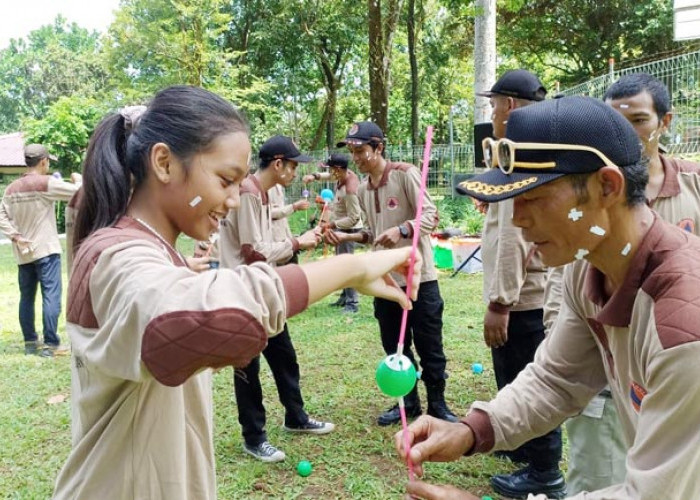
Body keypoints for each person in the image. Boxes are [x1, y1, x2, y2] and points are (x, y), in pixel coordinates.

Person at [53, 86, 422, 499]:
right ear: (163, 163)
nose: (233, 200)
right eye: (225, 180)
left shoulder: (145, 249)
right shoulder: (116, 255)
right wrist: (350, 267)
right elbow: (199, 322)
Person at [397, 95, 700, 500]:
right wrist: (472, 430)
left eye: (534, 197)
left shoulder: (683, 326)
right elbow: (558, 378)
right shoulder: (586, 265)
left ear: (607, 187)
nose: (518, 218)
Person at [558, 72, 700, 495]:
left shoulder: (693, 185)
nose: (626, 132)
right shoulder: (586, 211)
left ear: (665, 122)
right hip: (609, 367)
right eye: (615, 121)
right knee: (597, 473)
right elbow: (571, 288)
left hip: (676, 368)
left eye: (638, 119)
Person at [328, 121, 458, 425]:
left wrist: (402, 229)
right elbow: (372, 234)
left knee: (430, 346)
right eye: (352, 151)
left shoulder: (405, 173)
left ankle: (437, 405)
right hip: (385, 284)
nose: (356, 157)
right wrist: (345, 236)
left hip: (419, 280)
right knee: (394, 346)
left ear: (379, 148)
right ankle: (408, 402)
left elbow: (431, 215)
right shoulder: (361, 188)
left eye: (361, 150)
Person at [475, 69, 565, 498]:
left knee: (526, 379)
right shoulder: (524, 154)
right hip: (520, 296)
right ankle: (522, 448)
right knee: (512, 377)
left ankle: (544, 470)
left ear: (509, 106)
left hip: (521, 302)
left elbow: (514, 235)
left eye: (494, 105)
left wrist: (500, 302)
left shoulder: (517, 156)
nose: (491, 113)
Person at [218, 135, 335, 463]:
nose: (297, 172)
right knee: (247, 365)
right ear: (278, 164)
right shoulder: (248, 194)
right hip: (243, 291)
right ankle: (254, 437)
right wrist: (299, 243)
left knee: (284, 355)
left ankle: (295, 416)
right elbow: (253, 252)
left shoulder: (264, 193)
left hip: (263, 289)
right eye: (294, 165)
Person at [0, 143, 81, 357]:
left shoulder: (11, 189)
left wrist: (16, 237)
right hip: (46, 249)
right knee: (51, 296)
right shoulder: (46, 183)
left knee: (26, 297)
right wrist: (77, 179)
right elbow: (79, 193)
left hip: (23, 253)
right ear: (44, 161)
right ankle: (51, 345)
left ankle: (30, 343)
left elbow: (1, 216)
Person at [303, 153, 363, 313]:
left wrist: (331, 224)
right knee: (340, 263)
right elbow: (328, 176)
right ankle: (345, 296)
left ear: (338, 169)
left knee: (346, 266)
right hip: (339, 227)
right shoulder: (342, 175)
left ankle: (353, 303)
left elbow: (354, 217)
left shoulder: (350, 189)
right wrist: (314, 176)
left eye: (331, 169)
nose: (330, 173)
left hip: (348, 230)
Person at [268, 182, 309, 265]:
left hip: (286, 240)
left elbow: (282, 216)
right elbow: (268, 213)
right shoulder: (266, 187)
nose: (294, 175)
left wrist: (291, 238)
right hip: (275, 244)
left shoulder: (278, 186)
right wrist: (294, 207)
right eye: (292, 168)